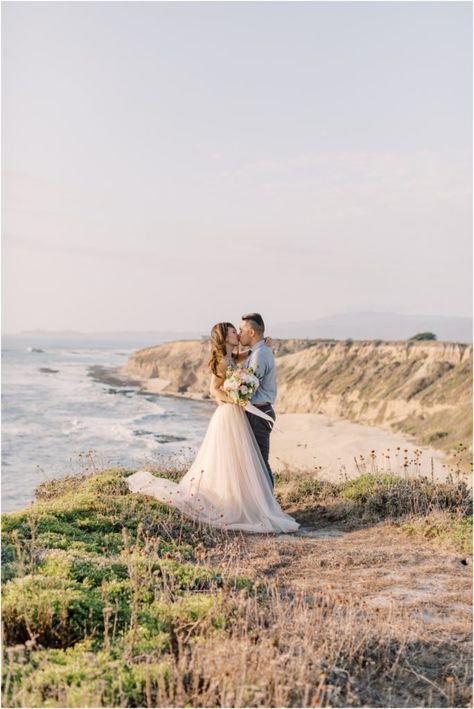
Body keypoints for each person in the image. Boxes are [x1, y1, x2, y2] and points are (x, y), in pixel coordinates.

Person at [125, 321, 300, 534]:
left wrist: (264, 344)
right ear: (225, 337)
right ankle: (239, 504)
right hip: (229, 414)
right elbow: (214, 390)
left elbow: (250, 354)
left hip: (237, 413)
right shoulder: (222, 361)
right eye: (234, 332)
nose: (238, 333)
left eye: (239, 330)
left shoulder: (233, 357)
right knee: (230, 461)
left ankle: (248, 502)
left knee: (240, 462)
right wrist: (235, 398)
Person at [239, 313, 277, 489]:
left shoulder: (259, 355)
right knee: (255, 463)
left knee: (261, 463)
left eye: (241, 330)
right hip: (256, 412)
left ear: (252, 332)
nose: (240, 334)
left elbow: (248, 388)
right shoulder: (257, 352)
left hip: (259, 414)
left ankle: (269, 506)